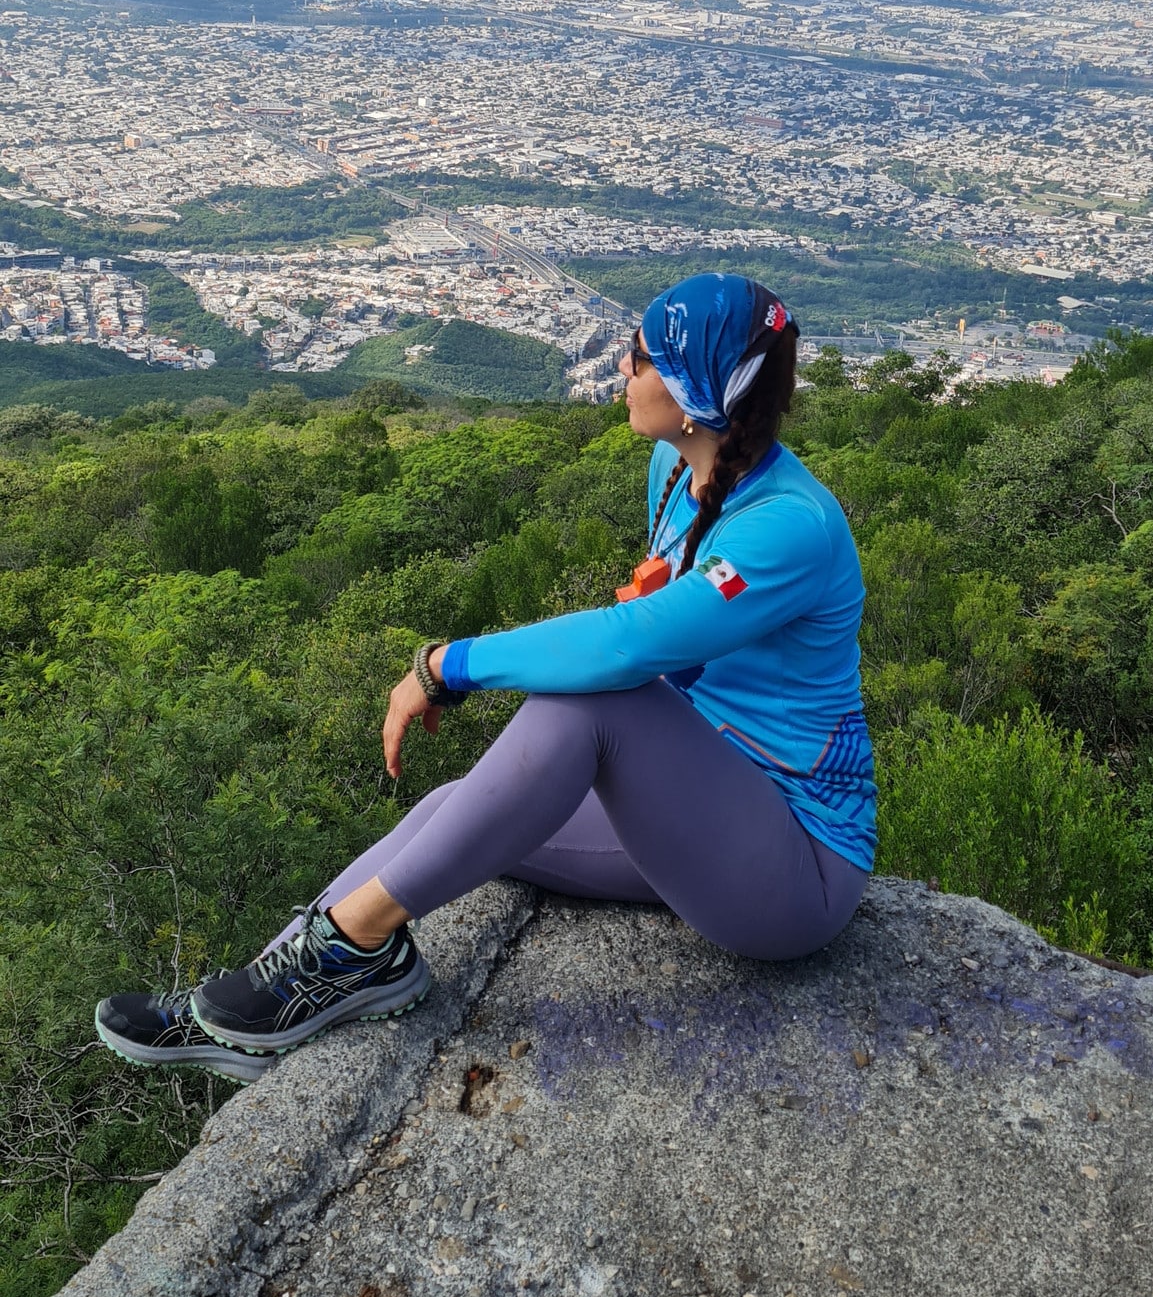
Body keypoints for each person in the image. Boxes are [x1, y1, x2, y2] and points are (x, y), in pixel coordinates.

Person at [95, 273, 875, 1080]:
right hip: (696, 809)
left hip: (793, 870)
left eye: (640, 357)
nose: (621, 367)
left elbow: (627, 646)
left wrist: (448, 666)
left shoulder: (787, 527)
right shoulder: (675, 470)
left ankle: (357, 945)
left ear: (695, 394)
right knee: (452, 809)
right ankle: (259, 998)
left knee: (592, 706)